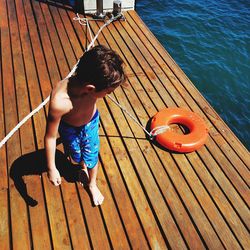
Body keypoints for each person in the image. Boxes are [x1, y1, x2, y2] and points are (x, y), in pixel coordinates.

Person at [44, 45, 126, 206]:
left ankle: (92, 183)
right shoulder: (60, 102)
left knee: (91, 155)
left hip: (90, 123)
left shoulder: (89, 80)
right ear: (90, 89)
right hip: (69, 128)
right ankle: (81, 164)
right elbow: (50, 137)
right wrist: (51, 168)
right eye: (108, 92)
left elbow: (100, 61)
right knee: (75, 155)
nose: (108, 95)